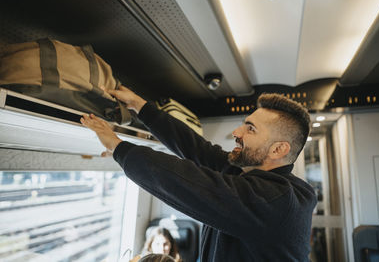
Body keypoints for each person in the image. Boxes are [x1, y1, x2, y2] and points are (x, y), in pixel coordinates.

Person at [80, 85, 317, 261]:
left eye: (250, 129)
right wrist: (140, 106)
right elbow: (197, 150)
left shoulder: (278, 200)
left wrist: (118, 147)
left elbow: (188, 183)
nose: (237, 132)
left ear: (278, 149)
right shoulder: (250, 176)